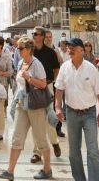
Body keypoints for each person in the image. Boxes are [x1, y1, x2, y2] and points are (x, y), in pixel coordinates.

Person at [0, 36, 54, 181]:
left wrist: (29, 78)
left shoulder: (36, 64)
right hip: (22, 105)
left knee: (40, 139)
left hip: (35, 106)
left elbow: (43, 84)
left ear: (28, 49)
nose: (18, 50)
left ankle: (47, 169)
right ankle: (10, 171)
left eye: (20, 48)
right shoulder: (21, 62)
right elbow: (20, 84)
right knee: (16, 138)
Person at [55, 38, 99, 181]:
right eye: (69, 47)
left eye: (73, 47)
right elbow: (59, 90)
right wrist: (58, 107)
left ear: (81, 50)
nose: (69, 50)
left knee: (92, 150)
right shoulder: (65, 67)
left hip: (89, 113)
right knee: (73, 152)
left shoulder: (91, 68)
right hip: (71, 113)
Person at [30, 26, 61, 163]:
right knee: (36, 120)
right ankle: (37, 153)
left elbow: (56, 70)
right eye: (33, 34)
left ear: (41, 36)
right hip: (33, 88)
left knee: (48, 119)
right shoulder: (30, 52)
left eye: (35, 34)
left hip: (47, 86)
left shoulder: (51, 52)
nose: (33, 35)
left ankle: (54, 142)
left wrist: (51, 84)